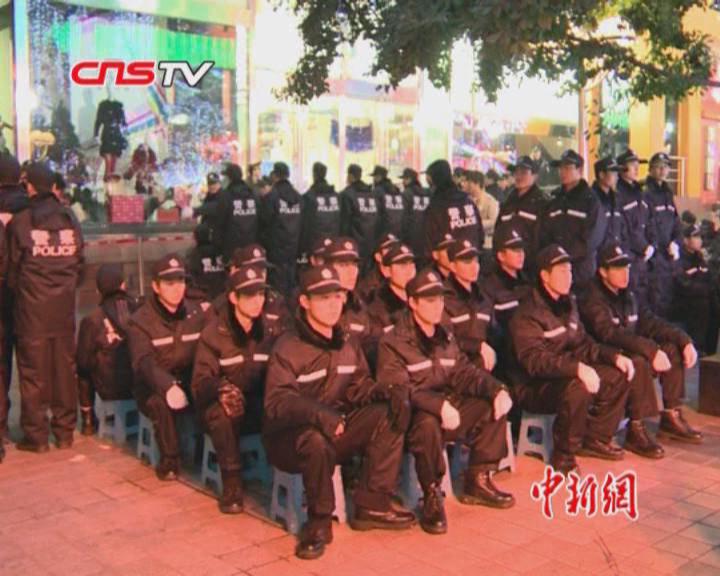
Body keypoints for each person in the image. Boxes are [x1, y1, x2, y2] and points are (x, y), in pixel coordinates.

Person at [264, 265, 415, 560]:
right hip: (290, 441)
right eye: (323, 298)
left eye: (337, 296)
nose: (334, 305)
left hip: (335, 430)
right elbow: (277, 402)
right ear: (304, 301)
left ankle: (372, 504)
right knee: (315, 440)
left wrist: (387, 391)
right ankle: (319, 522)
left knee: (388, 412)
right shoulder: (288, 347)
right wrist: (321, 414)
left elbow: (358, 387)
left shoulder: (347, 342)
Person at [377, 267, 515, 535]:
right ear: (412, 302)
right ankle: (431, 493)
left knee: (491, 404)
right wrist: (437, 406)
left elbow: (463, 371)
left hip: (448, 407)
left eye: (440, 298)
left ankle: (479, 478)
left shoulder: (445, 333)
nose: (437, 305)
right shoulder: (393, 341)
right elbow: (398, 389)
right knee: (427, 423)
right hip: (413, 417)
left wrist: (496, 389)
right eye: (429, 300)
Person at [507, 245, 634, 474]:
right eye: (562, 271)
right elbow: (534, 361)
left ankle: (595, 438)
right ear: (545, 276)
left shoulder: (568, 303)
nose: (569, 276)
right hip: (533, 386)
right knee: (577, 388)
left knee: (617, 375)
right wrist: (576, 368)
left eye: (570, 270)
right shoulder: (528, 313)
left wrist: (613, 356)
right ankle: (564, 455)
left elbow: (583, 343)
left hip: (562, 374)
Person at [580, 242, 702, 451]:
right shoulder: (592, 298)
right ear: (603, 271)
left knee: (671, 349)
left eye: (626, 267)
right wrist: (651, 350)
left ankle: (671, 415)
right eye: (618, 268)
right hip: (603, 355)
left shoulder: (628, 294)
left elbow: (650, 322)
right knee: (639, 360)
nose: (625, 273)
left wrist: (684, 340)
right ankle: (636, 427)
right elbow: (609, 334)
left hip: (628, 349)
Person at [191, 265, 285, 513]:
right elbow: (200, 382)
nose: (258, 301)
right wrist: (221, 387)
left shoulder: (272, 330)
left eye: (261, 294)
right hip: (221, 406)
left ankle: (287, 475)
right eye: (250, 295)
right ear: (233, 297)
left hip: (257, 402)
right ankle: (232, 483)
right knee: (221, 413)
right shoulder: (213, 334)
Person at [9, 161, 84, 452]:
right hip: (63, 310)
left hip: (32, 311)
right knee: (64, 370)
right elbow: (80, 263)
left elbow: (12, 270)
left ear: (29, 186)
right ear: (52, 186)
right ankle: (65, 432)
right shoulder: (70, 218)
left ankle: (37, 436)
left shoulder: (21, 222)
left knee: (33, 373)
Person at [127, 254, 207, 480]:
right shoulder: (140, 321)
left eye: (181, 281)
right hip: (153, 386)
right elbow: (143, 362)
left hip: (189, 379)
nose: (177, 289)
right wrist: (168, 385)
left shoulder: (197, 314)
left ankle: (206, 453)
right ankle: (170, 460)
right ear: (156, 286)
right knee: (159, 403)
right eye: (169, 283)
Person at [76, 264, 140, 435]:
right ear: (123, 285)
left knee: (82, 371)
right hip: (141, 384)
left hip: (111, 390)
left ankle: (88, 421)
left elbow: (83, 363)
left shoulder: (92, 320)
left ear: (98, 291)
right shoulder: (141, 310)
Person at [540, 150, 604, 291]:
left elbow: (593, 237)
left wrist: (566, 256)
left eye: (568, 168)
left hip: (582, 271)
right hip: (556, 268)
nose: (562, 172)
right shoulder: (555, 199)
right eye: (561, 168)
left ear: (579, 170)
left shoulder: (591, 200)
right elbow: (544, 232)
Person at [443, 239, 497, 371]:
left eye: (476, 261)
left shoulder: (483, 296)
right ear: (453, 266)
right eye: (467, 262)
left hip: (484, 368)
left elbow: (493, 332)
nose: (474, 267)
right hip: (455, 370)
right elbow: (442, 340)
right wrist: (477, 346)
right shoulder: (444, 299)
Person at [644, 152, 683, 317]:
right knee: (656, 301)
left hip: (668, 256)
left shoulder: (668, 193)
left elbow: (676, 221)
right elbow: (648, 224)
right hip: (655, 257)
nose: (662, 171)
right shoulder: (646, 193)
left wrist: (676, 242)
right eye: (659, 167)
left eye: (666, 167)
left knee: (668, 299)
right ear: (651, 169)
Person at [673, 224, 719, 357]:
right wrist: (705, 289)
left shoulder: (699, 257)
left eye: (700, 237)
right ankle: (698, 347)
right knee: (702, 304)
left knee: (714, 304)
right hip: (685, 300)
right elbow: (682, 283)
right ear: (686, 240)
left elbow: (709, 277)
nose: (699, 240)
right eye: (695, 236)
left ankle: (711, 348)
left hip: (703, 297)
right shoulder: (679, 258)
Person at [616, 149, 654, 309]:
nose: (637, 168)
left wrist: (651, 244)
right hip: (629, 257)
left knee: (644, 303)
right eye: (632, 164)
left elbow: (649, 220)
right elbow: (624, 228)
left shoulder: (640, 193)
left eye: (637, 164)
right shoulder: (618, 194)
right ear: (621, 168)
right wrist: (642, 246)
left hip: (644, 259)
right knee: (630, 303)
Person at [495, 156, 547, 274]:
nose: (518, 177)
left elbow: (543, 238)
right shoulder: (508, 201)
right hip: (506, 267)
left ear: (534, 176)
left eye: (523, 173)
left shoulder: (542, 203)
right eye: (516, 173)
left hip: (530, 268)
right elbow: (499, 230)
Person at [424, 159, 483, 259]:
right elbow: (480, 233)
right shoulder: (468, 201)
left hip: (448, 263)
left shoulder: (436, 208)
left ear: (434, 180)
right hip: (472, 259)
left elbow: (429, 242)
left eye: (429, 182)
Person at [259, 162, 303, 295]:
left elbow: (264, 221)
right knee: (291, 282)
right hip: (294, 245)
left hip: (275, 247)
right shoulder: (298, 197)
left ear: (275, 175)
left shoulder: (272, 197)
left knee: (276, 285)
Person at [367, 244, 417, 337]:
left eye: (411, 264)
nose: (409, 271)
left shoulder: (421, 300)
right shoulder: (377, 309)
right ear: (387, 271)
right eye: (402, 266)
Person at [214, 163, 259, 262]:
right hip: (251, 246)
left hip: (231, 248)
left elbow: (219, 223)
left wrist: (218, 246)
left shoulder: (226, 196)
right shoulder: (253, 194)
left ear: (229, 178)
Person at [340, 164, 381, 271]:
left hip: (354, 244)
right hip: (371, 242)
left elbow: (344, 223)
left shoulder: (347, 194)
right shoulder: (372, 194)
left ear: (350, 176)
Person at [300, 162, 340, 259]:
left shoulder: (308, 197)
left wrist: (302, 249)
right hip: (333, 243)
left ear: (314, 174)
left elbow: (304, 225)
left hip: (314, 245)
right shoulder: (337, 196)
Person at [592, 157, 628, 252]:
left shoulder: (616, 198)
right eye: (613, 173)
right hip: (600, 256)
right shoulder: (592, 200)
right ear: (601, 175)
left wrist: (623, 249)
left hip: (618, 253)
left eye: (617, 173)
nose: (617, 177)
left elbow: (623, 228)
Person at [355, 233, 401, 304]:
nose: (394, 252)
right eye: (389, 249)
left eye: (396, 248)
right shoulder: (368, 287)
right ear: (378, 256)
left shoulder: (405, 276)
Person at [400, 168, 431, 260]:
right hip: (426, 235)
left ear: (410, 179)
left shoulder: (407, 193)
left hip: (411, 235)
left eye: (404, 179)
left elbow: (403, 217)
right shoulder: (427, 192)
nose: (403, 182)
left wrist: (403, 235)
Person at [372, 165, 407, 239]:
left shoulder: (377, 191)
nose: (373, 179)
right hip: (398, 229)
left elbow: (374, 212)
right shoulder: (396, 189)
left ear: (379, 177)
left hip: (383, 230)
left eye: (374, 176)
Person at [464, 171, 498, 245]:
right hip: (470, 241)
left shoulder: (490, 200)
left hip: (486, 242)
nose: (467, 185)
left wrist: (477, 223)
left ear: (477, 184)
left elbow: (494, 221)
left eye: (470, 183)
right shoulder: (466, 200)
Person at [193, 172, 222, 244]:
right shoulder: (208, 196)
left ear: (219, 184)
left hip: (220, 228)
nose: (212, 186)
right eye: (210, 184)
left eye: (214, 183)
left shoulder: (223, 195)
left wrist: (197, 211)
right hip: (208, 228)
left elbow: (213, 207)